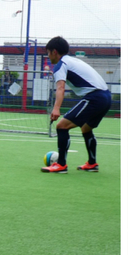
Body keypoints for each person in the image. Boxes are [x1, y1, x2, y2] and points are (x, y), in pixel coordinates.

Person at [40, 37, 111, 173]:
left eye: (48, 53)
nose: (48, 56)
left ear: (54, 52)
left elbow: (60, 87)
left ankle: (61, 165)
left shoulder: (61, 64)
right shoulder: (73, 61)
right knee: (86, 128)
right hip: (106, 96)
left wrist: (56, 108)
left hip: (95, 97)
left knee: (62, 126)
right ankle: (92, 163)